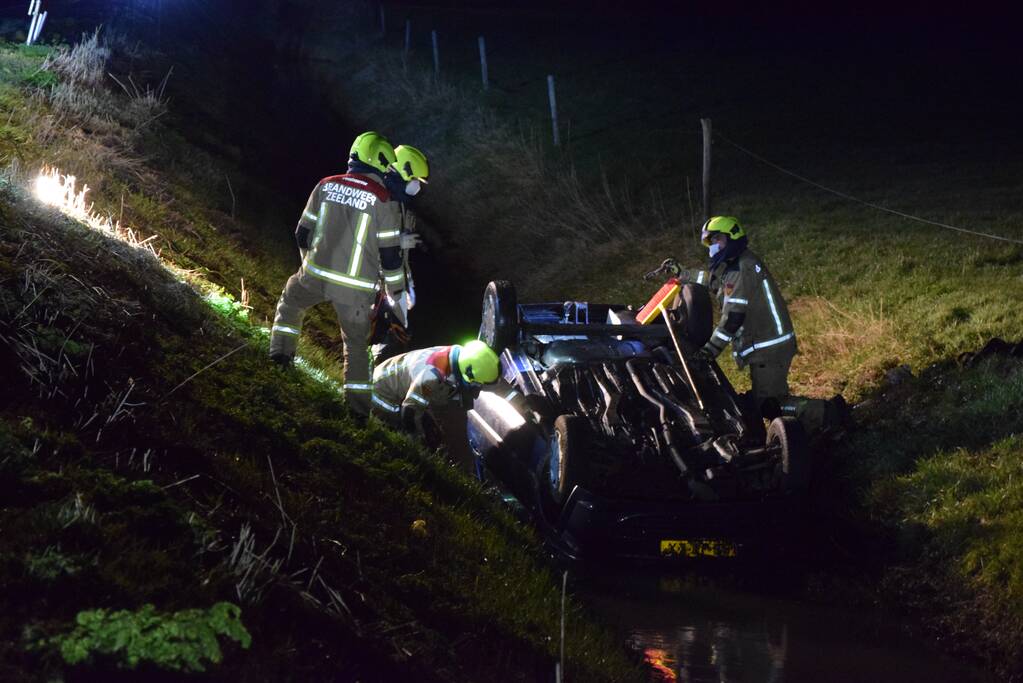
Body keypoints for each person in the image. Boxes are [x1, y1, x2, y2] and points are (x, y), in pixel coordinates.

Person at [268, 131, 409, 416]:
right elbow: (391, 258)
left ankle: (280, 358)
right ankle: (357, 414)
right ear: (381, 162)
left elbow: (302, 233)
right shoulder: (385, 202)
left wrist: (309, 265)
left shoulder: (325, 185)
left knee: (290, 305)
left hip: (315, 276)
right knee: (356, 347)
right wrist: (397, 296)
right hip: (356, 292)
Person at [679, 216, 842, 433]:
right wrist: (684, 274)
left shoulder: (741, 268)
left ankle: (827, 414)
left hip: (769, 348)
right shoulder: (737, 264)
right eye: (710, 243)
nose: (713, 248)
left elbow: (732, 319)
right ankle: (816, 423)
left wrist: (709, 351)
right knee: (763, 400)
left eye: (717, 240)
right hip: (767, 344)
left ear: (732, 236)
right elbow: (715, 282)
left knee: (770, 405)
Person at [370, 144, 430, 364]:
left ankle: (381, 372)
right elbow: (365, 241)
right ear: (405, 172)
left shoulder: (402, 204)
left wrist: (407, 281)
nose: (419, 187)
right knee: (380, 336)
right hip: (376, 283)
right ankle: (373, 374)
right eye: (418, 180)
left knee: (398, 336)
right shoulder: (380, 199)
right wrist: (399, 241)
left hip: (395, 281)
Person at [371, 340, 500, 441]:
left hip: (397, 388)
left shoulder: (459, 356)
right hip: (381, 397)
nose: (478, 389)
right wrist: (416, 441)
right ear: (469, 373)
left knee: (430, 430)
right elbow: (409, 410)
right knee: (408, 434)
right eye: (478, 385)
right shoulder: (430, 378)